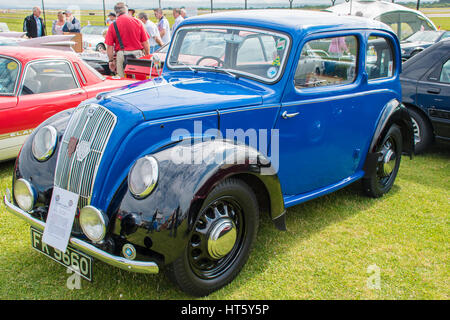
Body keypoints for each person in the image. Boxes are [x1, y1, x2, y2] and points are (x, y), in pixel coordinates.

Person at [105, 2, 150, 77]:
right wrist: (147, 56)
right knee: (139, 81)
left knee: (123, 82)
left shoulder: (113, 25)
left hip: (121, 56)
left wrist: (111, 61)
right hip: (137, 55)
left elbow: (109, 46)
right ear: (126, 10)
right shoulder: (138, 22)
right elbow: (145, 42)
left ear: (116, 12)